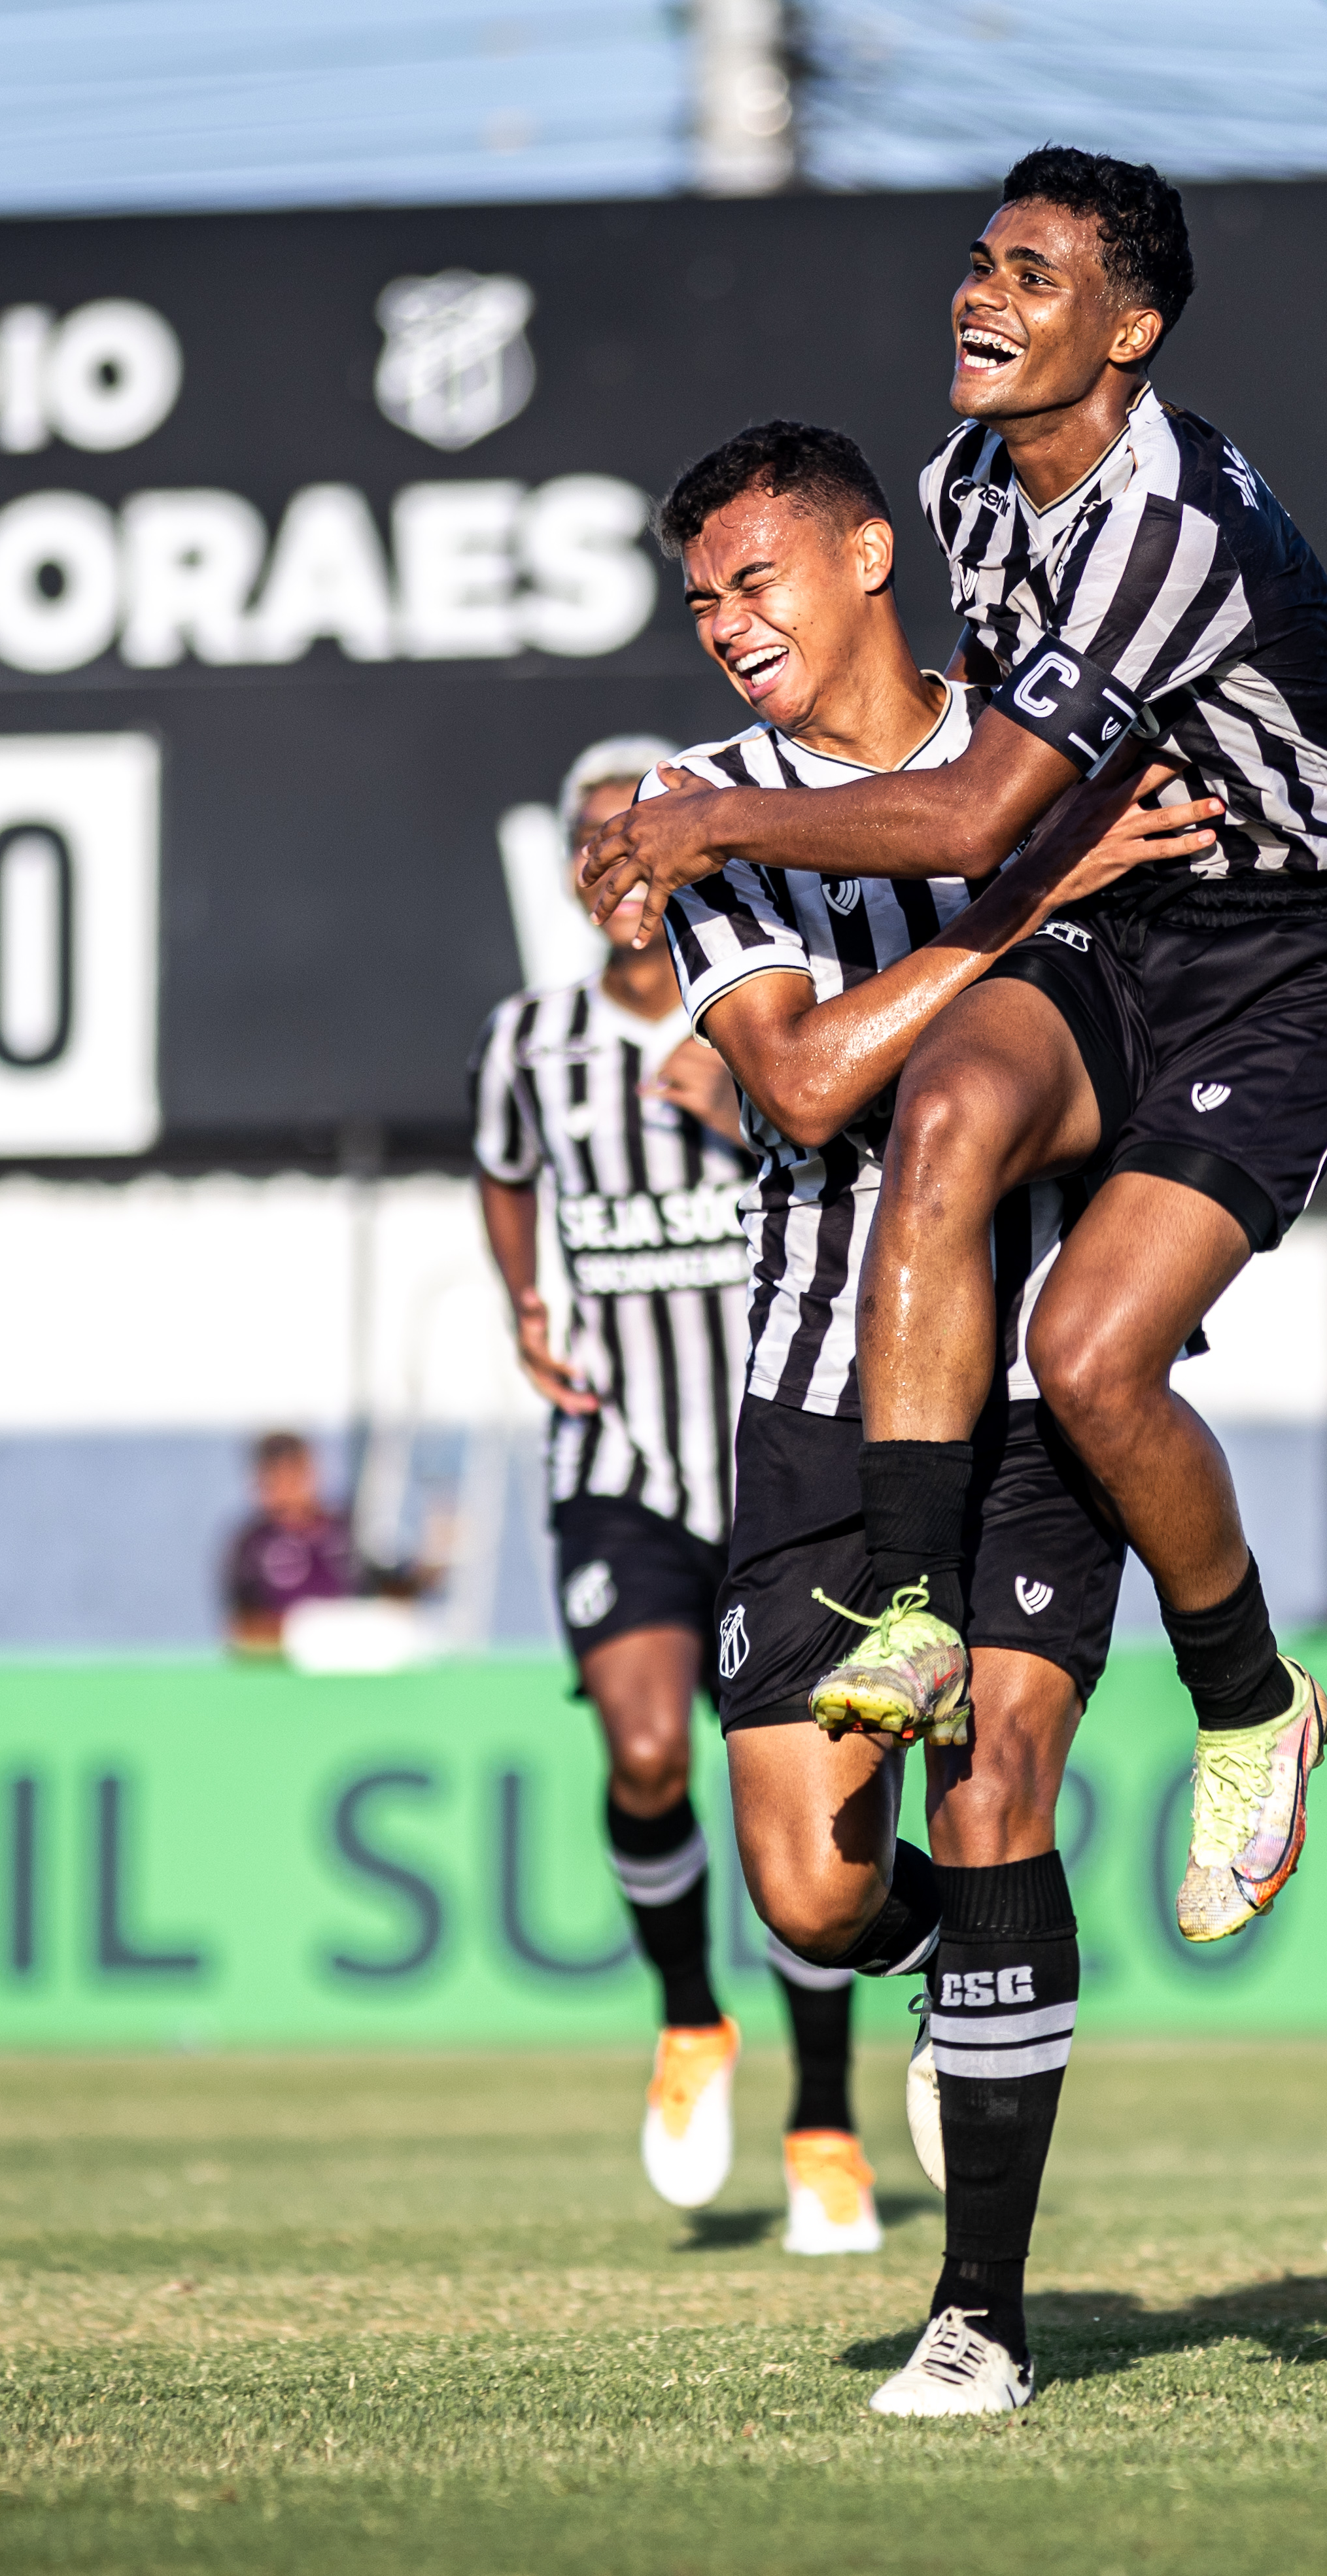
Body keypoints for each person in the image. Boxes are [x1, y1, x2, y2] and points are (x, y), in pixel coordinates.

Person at [637, 415, 1327, 2416]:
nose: (726, 623)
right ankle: (945, 1974)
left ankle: (981, 2307)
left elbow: (1313, 919)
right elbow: (800, 1092)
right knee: (810, 1886)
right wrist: (1015, 891)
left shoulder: (1061, 724)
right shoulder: (708, 804)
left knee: (999, 1796)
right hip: (820, 1389)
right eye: (699, 595)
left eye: (757, 576)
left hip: (1027, 1412)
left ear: (871, 553)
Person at [586, 155, 1327, 1978]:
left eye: (1034, 275)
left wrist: (708, 818)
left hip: (1277, 972)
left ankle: (1251, 1703)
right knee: (948, 1102)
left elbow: (989, 813)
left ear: (1129, 330)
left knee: (1090, 1353)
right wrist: (740, 818)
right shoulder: (967, 483)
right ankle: (906, 1609)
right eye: (978, 261)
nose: (984, 295)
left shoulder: (1163, 526)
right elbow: (985, 841)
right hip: (1137, 926)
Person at [470, 734, 876, 2257]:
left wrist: (763, 1107)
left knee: (812, 1833)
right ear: (579, 877)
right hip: (622, 1461)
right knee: (647, 1748)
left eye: (642, 831)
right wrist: (525, 1299)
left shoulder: (769, 1016)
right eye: (595, 839)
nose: (619, 859)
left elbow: (868, 1153)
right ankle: (690, 2017)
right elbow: (505, 1170)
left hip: (778, 1463)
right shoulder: (526, 1045)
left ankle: (825, 2121)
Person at [220, 1432, 422, 1656]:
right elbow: (243, 1631)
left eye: (295, 1475)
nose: (288, 1488)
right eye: (276, 1477)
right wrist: (303, 1632)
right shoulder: (251, 1546)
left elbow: (394, 1591)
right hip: (288, 1667)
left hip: (354, 1660)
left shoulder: (349, 1529)